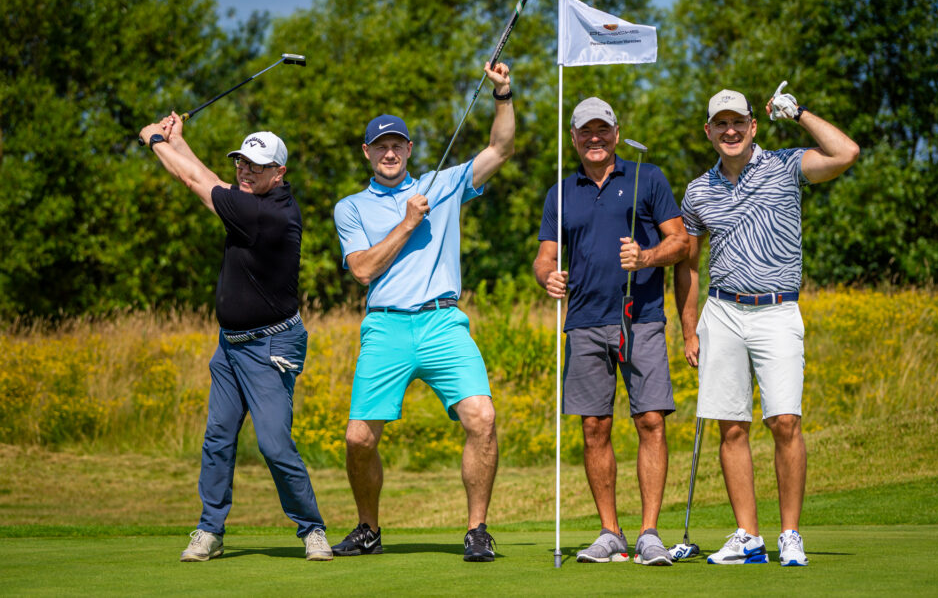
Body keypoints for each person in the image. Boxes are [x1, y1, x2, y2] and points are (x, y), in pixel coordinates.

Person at [332, 61, 514, 562]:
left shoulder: (443, 182)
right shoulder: (351, 207)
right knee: (358, 439)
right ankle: (368, 529)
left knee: (482, 418)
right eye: (380, 146)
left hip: (442, 322)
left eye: (397, 145)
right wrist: (409, 222)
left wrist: (503, 94)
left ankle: (477, 530)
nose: (389, 153)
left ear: (409, 149)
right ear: (367, 153)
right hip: (386, 324)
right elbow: (362, 269)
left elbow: (500, 149)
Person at [674, 83, 860, 566]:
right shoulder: (697, 191)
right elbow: (688, 265)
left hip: (777, 309)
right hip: (723, 311)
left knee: (785, 421)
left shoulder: (785, 165)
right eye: (721, 123)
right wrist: (689, 329)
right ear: (708, 131)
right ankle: (748, 536)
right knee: (731, 426)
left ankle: (790, 534)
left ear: (754, 126)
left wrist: (798, 113)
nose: (730, 130)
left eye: (738, 122)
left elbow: (846, 153)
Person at [137, 114, 332, 562]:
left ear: (279, 173)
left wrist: (154, 140)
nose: (246, 171)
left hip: (270, 347)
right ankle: (210, 530)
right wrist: (179, 141)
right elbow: (210, 178)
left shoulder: (267, 214)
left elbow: (193, 181)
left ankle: (312, 529)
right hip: (230, 346)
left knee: (274, 444)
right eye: (242, 162)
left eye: (257, 166)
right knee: (218, 438)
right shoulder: (251, 198)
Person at [533, 97, 687, 566]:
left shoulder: (647, 177)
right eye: (586, 131)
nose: (594, 138)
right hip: (584, 320)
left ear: (617, 134)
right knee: (594, 426)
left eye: (602, 130)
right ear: (574, 138)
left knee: (651, 420)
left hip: (641, 317)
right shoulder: (561, 192)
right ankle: (610, 532)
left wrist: (646, 257)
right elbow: (544, 256)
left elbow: (680, 241)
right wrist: (548, 277)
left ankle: (649, 534)